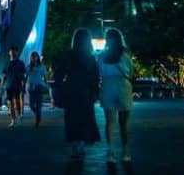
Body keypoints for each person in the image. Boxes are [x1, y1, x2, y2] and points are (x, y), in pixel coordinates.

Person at [55, 28, 101, 159]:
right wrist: (94, 92)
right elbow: (95, 77)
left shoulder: (68, 55)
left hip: (71, 91)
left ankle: (75, 145)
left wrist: (61, 87)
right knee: (85, 119)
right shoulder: (90, 57)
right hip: (85, 92)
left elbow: (58, 74)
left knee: (72, 119)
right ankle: (81, 144)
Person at [98, 28, 134, 163]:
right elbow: (131, 72)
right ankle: (125, 152)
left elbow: (99, 71)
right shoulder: (125, 56)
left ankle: (110, 151)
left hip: (107, 86)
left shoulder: (102, 56)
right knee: (124, 123)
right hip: (123, 86)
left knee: (109, 122)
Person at [4, 46, 27, 127]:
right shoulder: (7, 63)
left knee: (17, 103)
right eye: (11, 51)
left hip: (17, 85)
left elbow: (24, 75)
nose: (12, 53)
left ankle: (19, 116)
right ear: (9, 53)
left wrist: (23, 85)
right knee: (10, 103)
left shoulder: (20, 63)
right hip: (9, 86)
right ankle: (13, 120)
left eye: (14, 51)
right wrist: (2, 85)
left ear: (17, 52)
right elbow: (4, 74)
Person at [27, 52, 48, 127]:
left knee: (38, 104)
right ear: (31, 58)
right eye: (32, 57)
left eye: (35, 57)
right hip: (31, 87)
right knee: (31, 105)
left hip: (39, 86)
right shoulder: (29, 67)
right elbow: (26, 76)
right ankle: (38, 114)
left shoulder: (42, 66)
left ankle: (37, 121)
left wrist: (46, 84)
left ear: (37, 57)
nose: (34, 58)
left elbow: (44, 76)